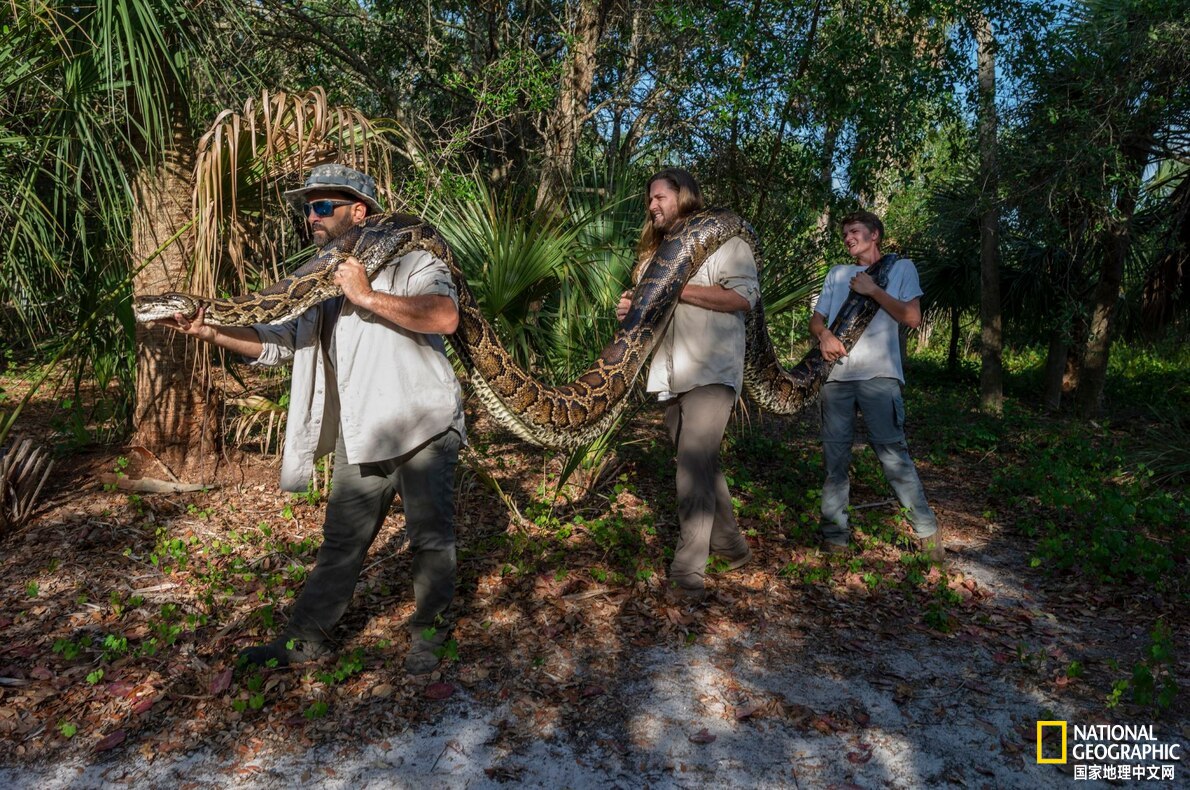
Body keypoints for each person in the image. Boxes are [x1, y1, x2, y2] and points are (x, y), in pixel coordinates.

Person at [152, 163, 466, 673]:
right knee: (341, 543)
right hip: (361, 430)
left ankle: (430, 636)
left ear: (358, 212)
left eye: (323, 206)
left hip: (421, 423)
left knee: (430, 539)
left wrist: (365, 294)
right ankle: (305, 640)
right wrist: (209, 331)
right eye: (307, 208)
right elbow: (276, 345)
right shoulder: (316, 283)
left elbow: (444, 316)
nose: (311, 217)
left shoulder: (411, 258)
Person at [616, 168, 757, 602]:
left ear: (685, 196)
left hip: (712, 370)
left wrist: (677, 289)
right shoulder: (655, 255)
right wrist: (631, 309)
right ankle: (731, 547)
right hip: (671, 372)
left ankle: (687, 572)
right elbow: (649, 310)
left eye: (660, 197)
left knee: (692, 464)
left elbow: (742, 298)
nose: (652, 206)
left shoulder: (726, 243)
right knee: (700, 462)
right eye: (649, 200)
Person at [809, 210, 941, 560]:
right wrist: (822, 337)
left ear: (875, 235)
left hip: (879, 378)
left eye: (855, 231)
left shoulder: (900, 269)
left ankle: (927, 537)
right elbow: (817, 320)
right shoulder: (837, 275)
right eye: (845, 234)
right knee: (834, 462)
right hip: (835, 379)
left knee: (893, 457)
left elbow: (912, 318)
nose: (849, 238)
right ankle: (835, 539)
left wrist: (873, 289)